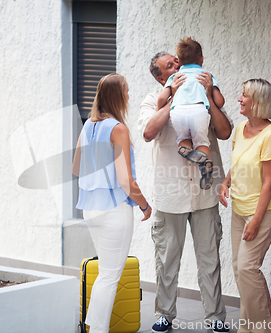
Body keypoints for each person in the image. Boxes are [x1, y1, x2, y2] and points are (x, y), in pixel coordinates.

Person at [138, 52, 233, 333]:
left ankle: (215, 317)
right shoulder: (152, 98)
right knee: (167, 259)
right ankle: (165, 314)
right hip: (170, 194)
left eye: (178, 62)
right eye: (171, 66)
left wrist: (205, 94)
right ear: (160, 77)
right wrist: (173, 99)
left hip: (205, 193)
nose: (178, 67)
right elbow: (147, 132)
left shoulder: (205, 91)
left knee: (209, 258)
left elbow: (225, 132)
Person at [73, 73, 152, 333]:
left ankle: (92, 327)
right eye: (126, 90)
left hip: (90, 209)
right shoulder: (118, 128)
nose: (129, 94)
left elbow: (76, 168)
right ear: (117, 95)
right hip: (113, 211)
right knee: (109, 275)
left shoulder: (88, 126)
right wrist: (144, 205)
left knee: (106, 274)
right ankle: (98, 331)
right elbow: (126, 181)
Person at [219, 79, 271, 333]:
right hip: (238, 209)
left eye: (244, 96)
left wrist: (256, 220)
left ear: (258, 101)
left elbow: (268, 183)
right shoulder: (240, 129)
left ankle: (264, 329)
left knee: (247, 267)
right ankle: (249, 327)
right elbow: (238, 163)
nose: (239, 99)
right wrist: (225, 182)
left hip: (263, 211)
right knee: (239, 269)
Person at [157, 37, 226, 190]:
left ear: (179, 62)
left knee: (183, 138)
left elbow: (162, 98)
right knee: (202, 142)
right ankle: (204, 164)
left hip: (178, 112)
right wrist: (211, 95)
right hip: (199, 111)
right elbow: (220, 102)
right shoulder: (206, 75)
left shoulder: (175, 77)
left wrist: (161, 107)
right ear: (201, 58)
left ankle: (186, 149)